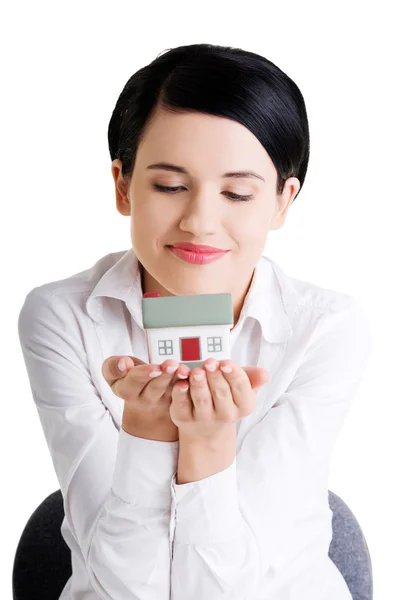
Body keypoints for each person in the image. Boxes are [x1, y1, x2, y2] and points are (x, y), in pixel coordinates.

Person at [17, 42, 373, 600]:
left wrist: (207, 445)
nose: (201, 221)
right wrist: (147, 429)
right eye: (169, 186)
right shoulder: (62, 316)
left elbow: (230, 589)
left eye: (237, 193)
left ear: (282, 202)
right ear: (122, 186)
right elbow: (122, 586)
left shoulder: (325, 329)